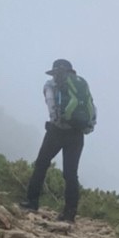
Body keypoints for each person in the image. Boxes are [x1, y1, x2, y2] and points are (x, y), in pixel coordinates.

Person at [23, 58, 96, 225]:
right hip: (77, 134)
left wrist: (56, 122)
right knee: (71, 174)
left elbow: (51, 105)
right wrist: (86, 128)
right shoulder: (81, 85)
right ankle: (70, 213)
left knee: (41, 164)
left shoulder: (51, 84)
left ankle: (32, 202)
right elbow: (92, 108)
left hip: (57, 131)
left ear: (55, 71)